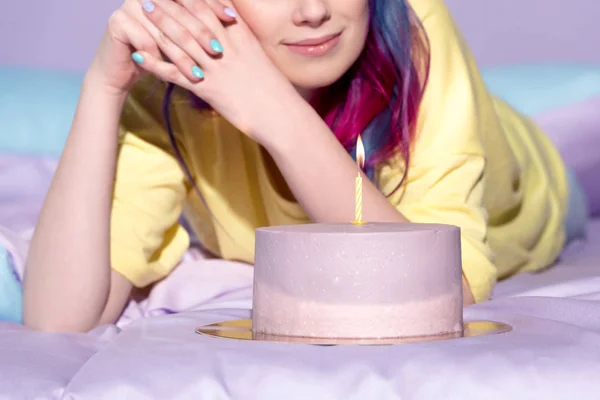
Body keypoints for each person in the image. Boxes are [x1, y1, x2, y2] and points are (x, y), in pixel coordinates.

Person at [20, 0, 586, 332]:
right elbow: (60, 320)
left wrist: (275, 111)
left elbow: (446, 292)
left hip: (534, 181)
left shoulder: (415, 27)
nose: (314, 11)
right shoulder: (171, 87)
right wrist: (104, 86)